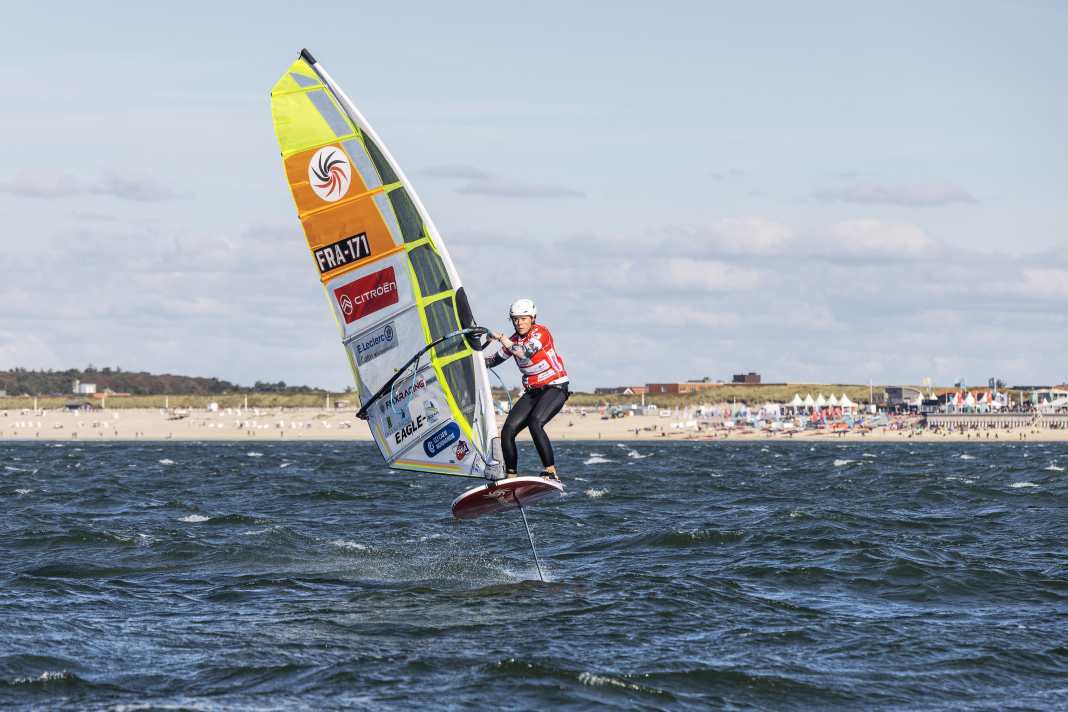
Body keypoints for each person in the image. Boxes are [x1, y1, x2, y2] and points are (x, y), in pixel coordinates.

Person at [485, 298, 569, 480]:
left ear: (533, 318)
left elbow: (523, 352)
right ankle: (511, 477)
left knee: (535, 422)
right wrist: (474, 350)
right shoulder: (513, 340)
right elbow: (491, 362)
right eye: (515, 319)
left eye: (523, 319)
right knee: (508, 430)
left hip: (555, 387)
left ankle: (551, 472)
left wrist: (500, 338)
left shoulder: (541, 333)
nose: (519, 323)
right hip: (533, 392)